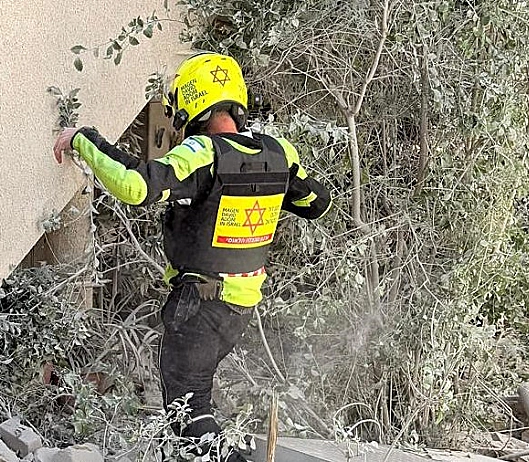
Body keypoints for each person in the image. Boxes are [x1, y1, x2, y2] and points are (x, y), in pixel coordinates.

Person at [53, 52, 331, 461]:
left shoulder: (204, 152)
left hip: (198, 308)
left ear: (189, 107)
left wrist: (82, 139)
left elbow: (135, 186)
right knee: (192, 408)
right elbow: (316, 202)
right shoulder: (278, 153)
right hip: (240, 308)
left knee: (188, 418)